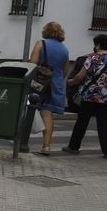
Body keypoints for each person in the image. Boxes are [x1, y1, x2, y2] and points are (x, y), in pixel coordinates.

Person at [63, 33, 107, 159]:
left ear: (97, 45)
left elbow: (80, 76)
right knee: (104, 125)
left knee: (82, 122)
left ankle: (74, 147)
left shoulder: (92, 58)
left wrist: (71, 82)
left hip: (89, 97)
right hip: (106, 98)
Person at [27, 21, 71, 156]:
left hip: (40, 83)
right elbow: (65, 70)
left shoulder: (41, 44)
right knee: (47, 115)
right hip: (55, 85)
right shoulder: (64, 49)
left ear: (46, 31)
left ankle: (21, 139)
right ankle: (46, 146)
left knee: (28, 109)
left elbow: (33, 64)